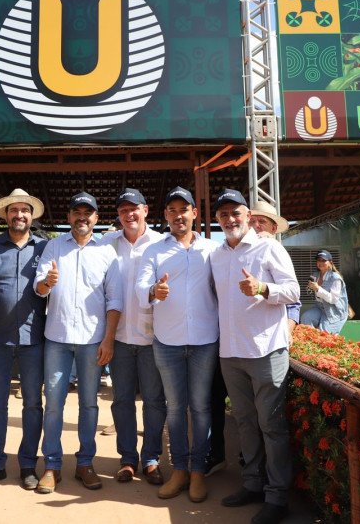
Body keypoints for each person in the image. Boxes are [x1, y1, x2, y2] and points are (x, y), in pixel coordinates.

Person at [210, 189, 300, 524]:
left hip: (266, 350)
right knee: (246, 423)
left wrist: (263, 289)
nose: (230, 219)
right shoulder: (216, 255)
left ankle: (277, 498)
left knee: (271, 426)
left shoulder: (269, 247)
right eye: (223, 215)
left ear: (247, 215)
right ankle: (252, 484)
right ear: (217, 220)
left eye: (235, 213)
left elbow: (293, 291)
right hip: (230, 352)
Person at [33, 191, 122, 494]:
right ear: (68, 216)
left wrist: (108, 339)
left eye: (88, 213)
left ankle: (85, 463)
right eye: (76, 212)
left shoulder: (107, 252)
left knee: (89, 404)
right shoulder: (53, 246)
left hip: (92, 339)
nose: (82, 217)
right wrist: (48, 282)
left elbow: (115, 300)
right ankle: (52, 466)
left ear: (96, 218)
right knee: (54, 405)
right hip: (57, 338)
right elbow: (39, 287)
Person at [136, 186, 219, 503]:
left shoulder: (212, 250)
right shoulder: (154, 251)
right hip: (167, 342)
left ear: (194, 214)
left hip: (204, 341)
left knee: (200, 409)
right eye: (171, 210)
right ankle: (179, 471)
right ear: (166, 216)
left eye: (183, 209)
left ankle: (198, 472)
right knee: (174, 410)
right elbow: (140, 287)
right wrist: (153, 292)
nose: (178, 215)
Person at [0, 189, 48, 492]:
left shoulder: (44, 248)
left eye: (24, 210)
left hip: (35, 337)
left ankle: (28, 465)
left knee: (32, 405)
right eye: (13, 210)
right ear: (6, 215)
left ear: (31, 215)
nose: (19, 215)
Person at [99, 188, 166, 486]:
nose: (129, 214)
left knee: (154, 401)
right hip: (120, 337)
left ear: (146, 210)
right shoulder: (106, 244)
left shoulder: (162, 243)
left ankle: (151, 458)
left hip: (154, 339)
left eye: (134, 208)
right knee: (122, 401)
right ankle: (127, 459)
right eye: (123, 209)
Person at [300, 250, 348, 335]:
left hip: (334, 311)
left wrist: (318, 289)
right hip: (319, 307)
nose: (320, 262)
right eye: (318, 260)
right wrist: (310, 287)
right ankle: (310, 341)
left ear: (330, 262)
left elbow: (333, 300)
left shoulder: (335, 278)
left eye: (323, 260)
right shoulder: (315, 274)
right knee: (305, 318)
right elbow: (310, 292)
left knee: (324, 334)